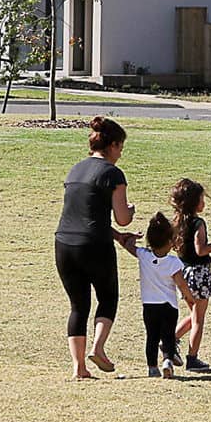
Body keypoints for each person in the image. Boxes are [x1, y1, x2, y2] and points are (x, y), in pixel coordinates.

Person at [54, 116, 134, 379]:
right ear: (112, 145)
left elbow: (85, 215)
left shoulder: (75, 169)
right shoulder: (112, 173)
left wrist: (117, 236)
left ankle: (79, 368)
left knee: (78, 306)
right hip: (95, 246)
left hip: (64, 244)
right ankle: (98, 348)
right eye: (120, 147)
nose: (121, 153)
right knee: (108, 298)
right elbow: (122, 217)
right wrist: (130, 212)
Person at [120, 212, 196, 379]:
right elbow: (181, 284)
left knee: (151, 337)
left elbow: (128, 246)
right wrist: (190, 298)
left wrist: (133, 238)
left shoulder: (144, 256)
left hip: (149, 305)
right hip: (169, 306)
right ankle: (167, 360)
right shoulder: (173, 262)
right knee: (168, 335)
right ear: (169, 242)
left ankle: (152, 367)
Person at [171, 178, 211, 373]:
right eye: (202, 199)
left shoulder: (177, 222)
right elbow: (200, 250)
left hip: (183, 272)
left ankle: (170, 341)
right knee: (198, 319)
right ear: (195, 202)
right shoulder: (198, 223)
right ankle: (192, 358)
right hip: (199, 273)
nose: (204, 203)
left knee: (194, 313)